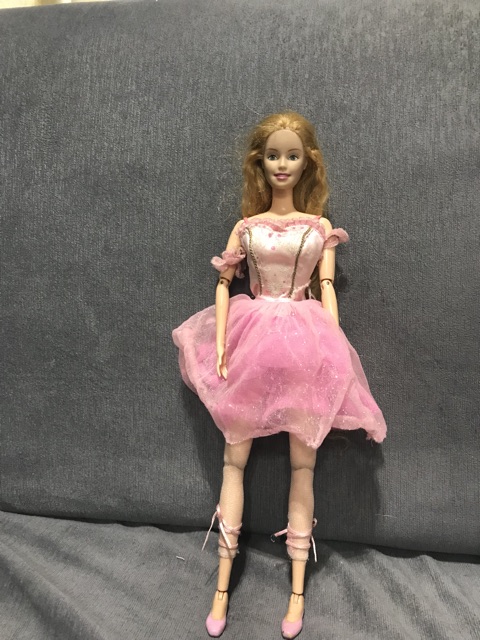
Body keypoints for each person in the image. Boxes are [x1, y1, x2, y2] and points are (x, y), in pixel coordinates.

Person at [172, 111, 387, 639]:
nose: (282, 165)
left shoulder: (319, 229)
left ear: (307, 160)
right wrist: (220, 344)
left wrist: (334, 349)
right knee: (234, 457)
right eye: (272, 155)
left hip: (305, 342)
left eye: (291, 155)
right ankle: (222, 583)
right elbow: (224, 285)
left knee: (302, 463)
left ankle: (295, 591)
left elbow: (326, 288)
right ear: (259, 162)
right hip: (250, 340)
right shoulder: (246, 227)